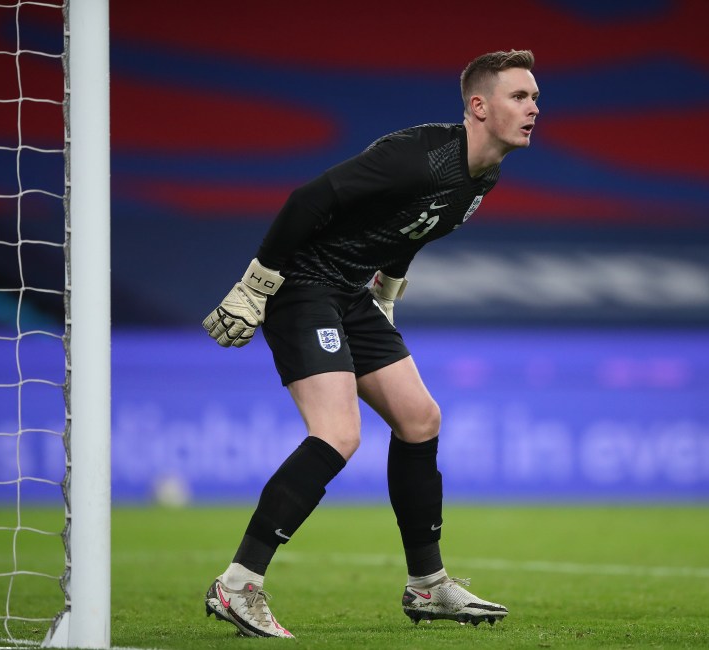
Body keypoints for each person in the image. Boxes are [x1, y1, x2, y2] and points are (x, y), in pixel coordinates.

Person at [202, 49, 539, 639]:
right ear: (479, 107)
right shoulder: (419, 156)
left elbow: (416, 228)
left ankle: (428, 586)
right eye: (520, 96)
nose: (534, 108)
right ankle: (238, 585)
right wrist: (255, 285)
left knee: (420, 418)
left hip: (351, 295)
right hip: (303, 287)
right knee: (338, 433)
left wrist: (386, 293)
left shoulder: (483, 173)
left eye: (536, 98)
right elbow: (308, 200)